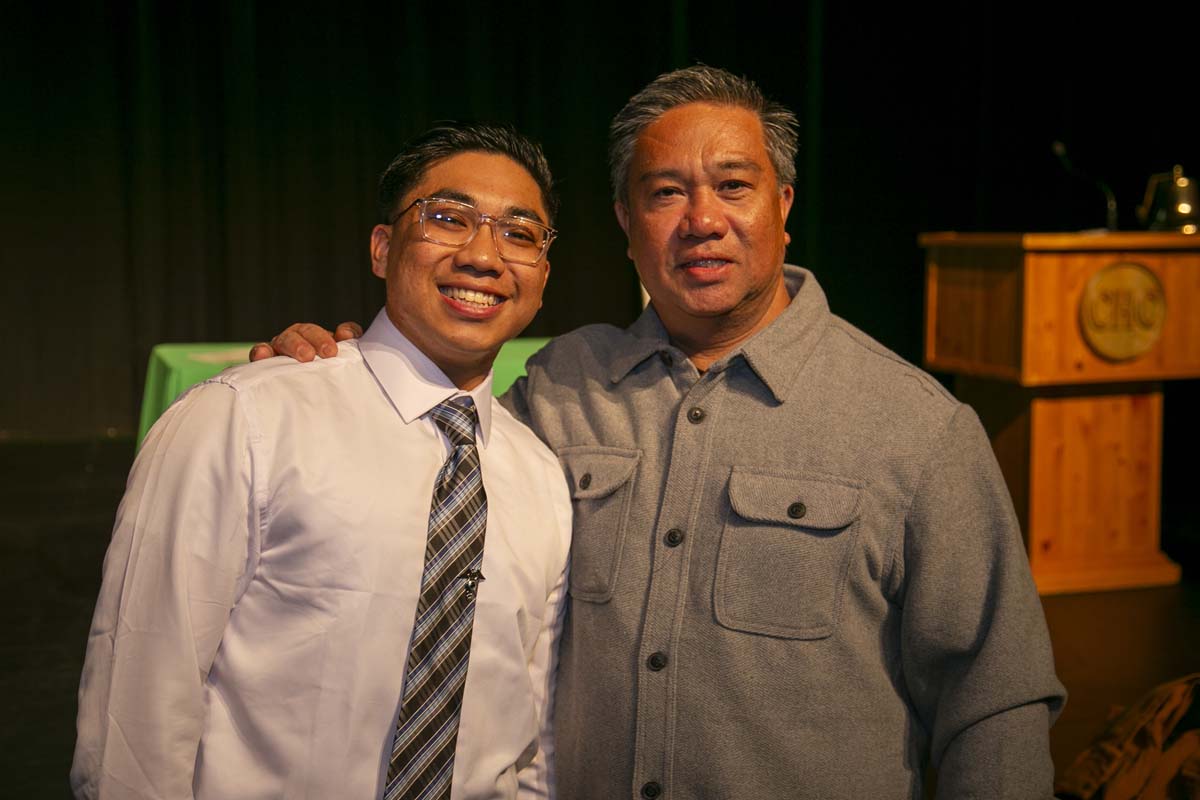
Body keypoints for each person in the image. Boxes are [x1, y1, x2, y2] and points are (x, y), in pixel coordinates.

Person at [258, 67, 1067, 798]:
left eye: (733, 186)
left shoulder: (916, 426)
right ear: (626, 221)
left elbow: (996, 699)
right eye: (666, 193)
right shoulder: (562, 386)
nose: (702, 220)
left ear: (783, 207)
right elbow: (428, 456)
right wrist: (344, 376)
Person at [72, 123, 572, 799]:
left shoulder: (541, 479)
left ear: (542, 276)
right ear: (383, 248)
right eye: (449, 219)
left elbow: (532, 738)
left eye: (519, 233)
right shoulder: (246, 419)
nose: (484, 255)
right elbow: (136, 712)